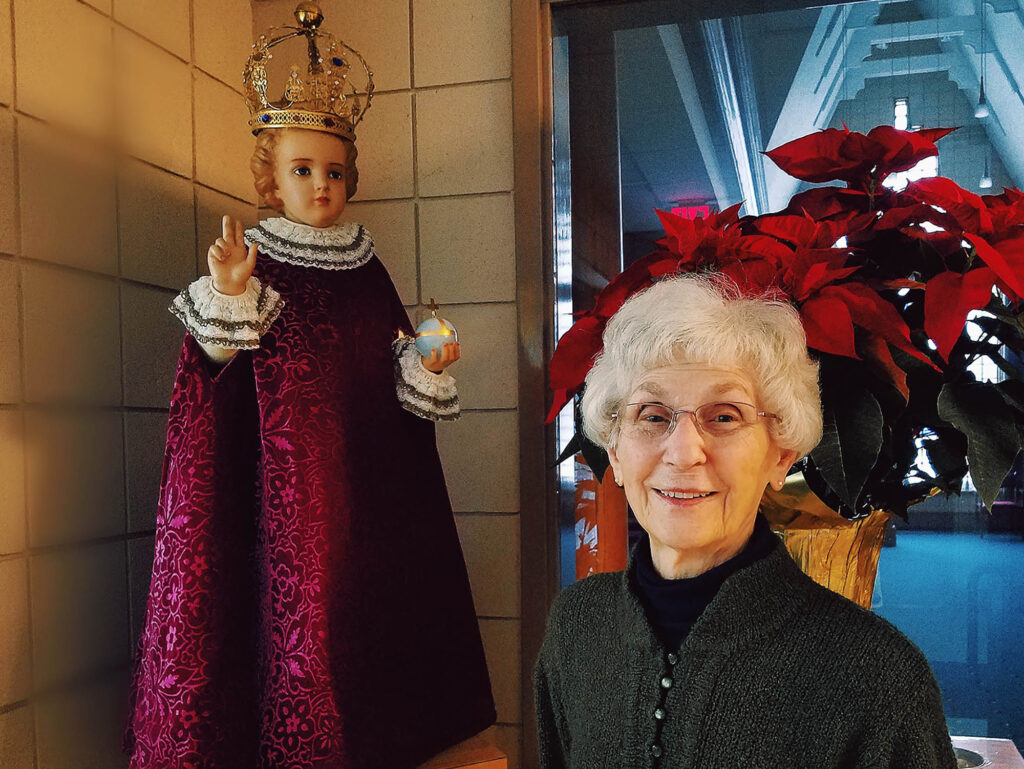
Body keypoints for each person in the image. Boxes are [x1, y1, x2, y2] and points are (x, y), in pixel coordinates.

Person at [124, 15, 495, 767]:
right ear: (271, 177)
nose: (320, 185)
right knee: (286, 612)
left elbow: (391, 362)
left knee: (363, 613)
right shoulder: (252, 259)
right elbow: (209, 373)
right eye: (302, 170)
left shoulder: (366, 266)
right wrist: (230, 295)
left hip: (365, 483)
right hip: (277, 489)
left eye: (332, 172)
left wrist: (425, 361)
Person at [535, 275, 956, 769]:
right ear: (615, 452)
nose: (684, 452)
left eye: (724, 416)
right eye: (652, 416)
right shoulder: (577, 625)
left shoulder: (880, 680)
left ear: (781, 455)